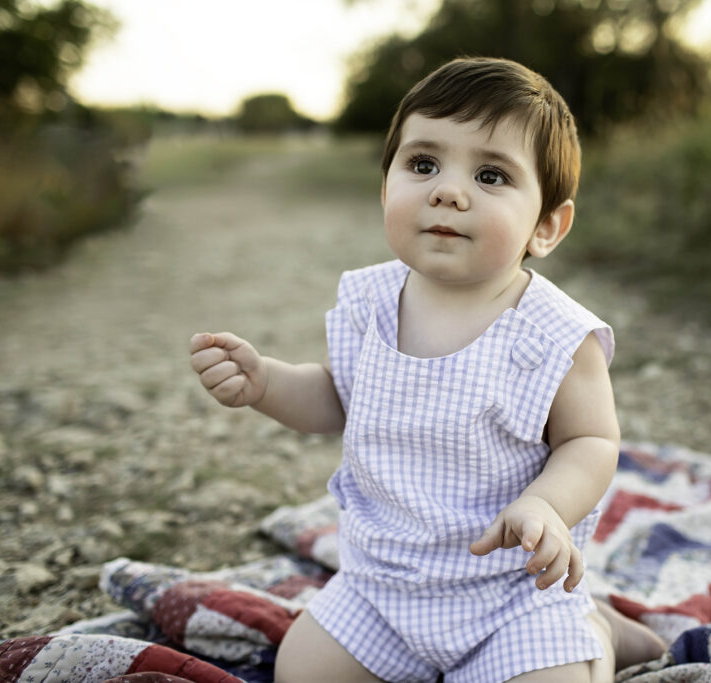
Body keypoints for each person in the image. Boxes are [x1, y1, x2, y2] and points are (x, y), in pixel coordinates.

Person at [189, 57, 665, 683]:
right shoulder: (370, 303)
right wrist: (267, 384)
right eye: (422, 164)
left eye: (491, 175)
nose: (447, 189)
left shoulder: (552, 335)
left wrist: (547, 505)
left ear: (547, 226)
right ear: (387, 188)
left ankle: (593, 633)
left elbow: (592, 440)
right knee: (300, 671)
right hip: (382, 588)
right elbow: (338, 397)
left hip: (511, 597)